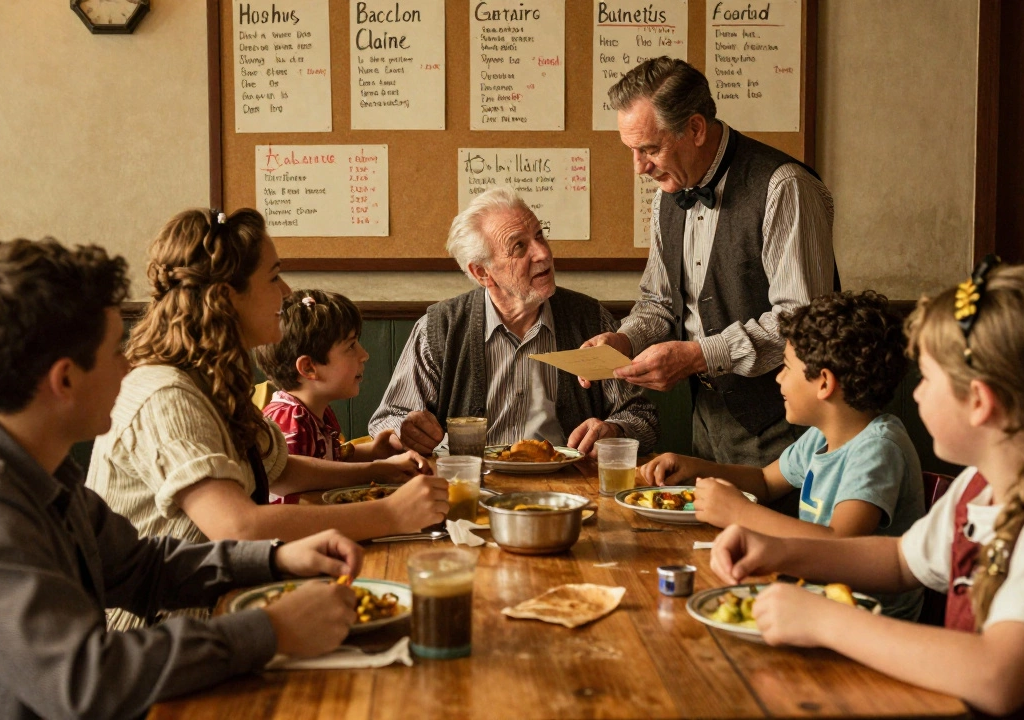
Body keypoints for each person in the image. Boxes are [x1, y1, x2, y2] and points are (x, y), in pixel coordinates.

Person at [0, 238, 363, 720]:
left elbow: (141, 566)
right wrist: (270, 630)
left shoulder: (30, 462)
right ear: (64, 380)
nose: (128, 369)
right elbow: (86, 684)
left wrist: (275, 559)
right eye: (114, 353)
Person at [710, 262, 1024, 718]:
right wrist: (773, 549)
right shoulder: (980, 484)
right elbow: (897, 562)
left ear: (979, 402)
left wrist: (823, 621)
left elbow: (997, 677)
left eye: (927, 379)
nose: (914, 395)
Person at [86, 208, 449, 630]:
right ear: (225, 298)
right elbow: (238, 526)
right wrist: (390, 514)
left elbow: (280, 470)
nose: (286, 291)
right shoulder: (167, 395)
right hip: (152, 638)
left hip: (216, 613)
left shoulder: (211, 377)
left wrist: (377, 470)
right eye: (274, 276)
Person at [583, 56, 836, 468]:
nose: (639, 167)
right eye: (632, 150)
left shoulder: (784, 186)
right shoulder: (666, 197)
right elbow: (659, 304)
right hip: (707, 419)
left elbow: (802, 323)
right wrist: (624, 341)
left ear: (696, 129)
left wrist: (700, 355)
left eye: (649, 149)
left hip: (789, 422)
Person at [640, 291, 925, 618]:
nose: (778, 377)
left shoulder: (878, 448)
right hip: (817, 601)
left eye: (786, 367)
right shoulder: (821, 436)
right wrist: (694, 467)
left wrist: (739, 512)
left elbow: (839, 544)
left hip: (866, 621)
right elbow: (764, 480)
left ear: (824, 383)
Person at [368, 187, 659, 456]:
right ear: (483, 273)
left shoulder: (590, 319)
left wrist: (614, 430)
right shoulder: (440, 328)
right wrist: (404, 431)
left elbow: (642, 418)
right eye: (519, 246)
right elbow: (387, 418)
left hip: (568, 488)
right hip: (471, 485)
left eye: (540, 236)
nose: (543, 253)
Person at [254, 289, 404, 462]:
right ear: (309, 367)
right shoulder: (289, 422)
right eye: (350, 346)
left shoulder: (316, 412)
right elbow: (305, 479)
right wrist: (384, 469)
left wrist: (373, 452)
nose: (364, 355)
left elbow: (330, 461)